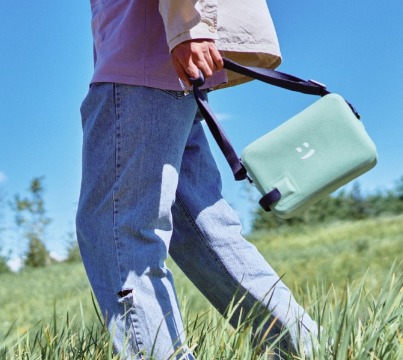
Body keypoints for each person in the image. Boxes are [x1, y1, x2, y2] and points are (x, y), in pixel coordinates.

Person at [76, 0, 318, 358]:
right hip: (157, 58)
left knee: (115, 230)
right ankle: (306, 350)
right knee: (204, 232)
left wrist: (190, 25)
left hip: (140, 56)